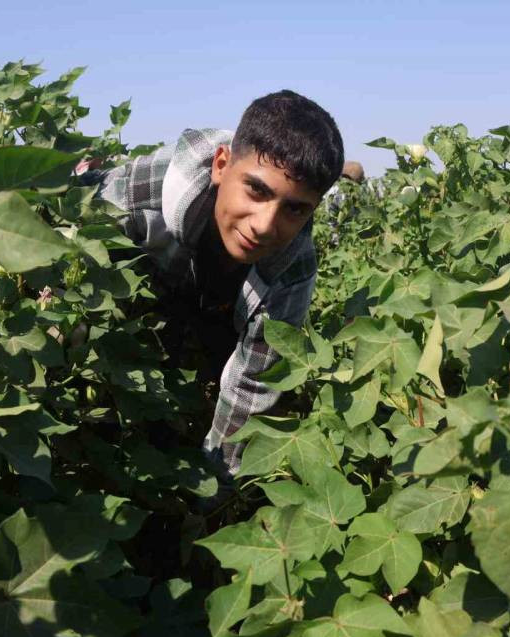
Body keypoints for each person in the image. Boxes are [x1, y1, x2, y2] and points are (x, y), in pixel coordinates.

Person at [76, 90, 345, 480]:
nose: (265, 225)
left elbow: (252, 384)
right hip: (143, 289)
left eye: (295, 208)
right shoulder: (137, 194)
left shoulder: (292, 268)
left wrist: (212, 488)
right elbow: (65, 244)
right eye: (256, 190)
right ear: (221, 165)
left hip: (215, 302)